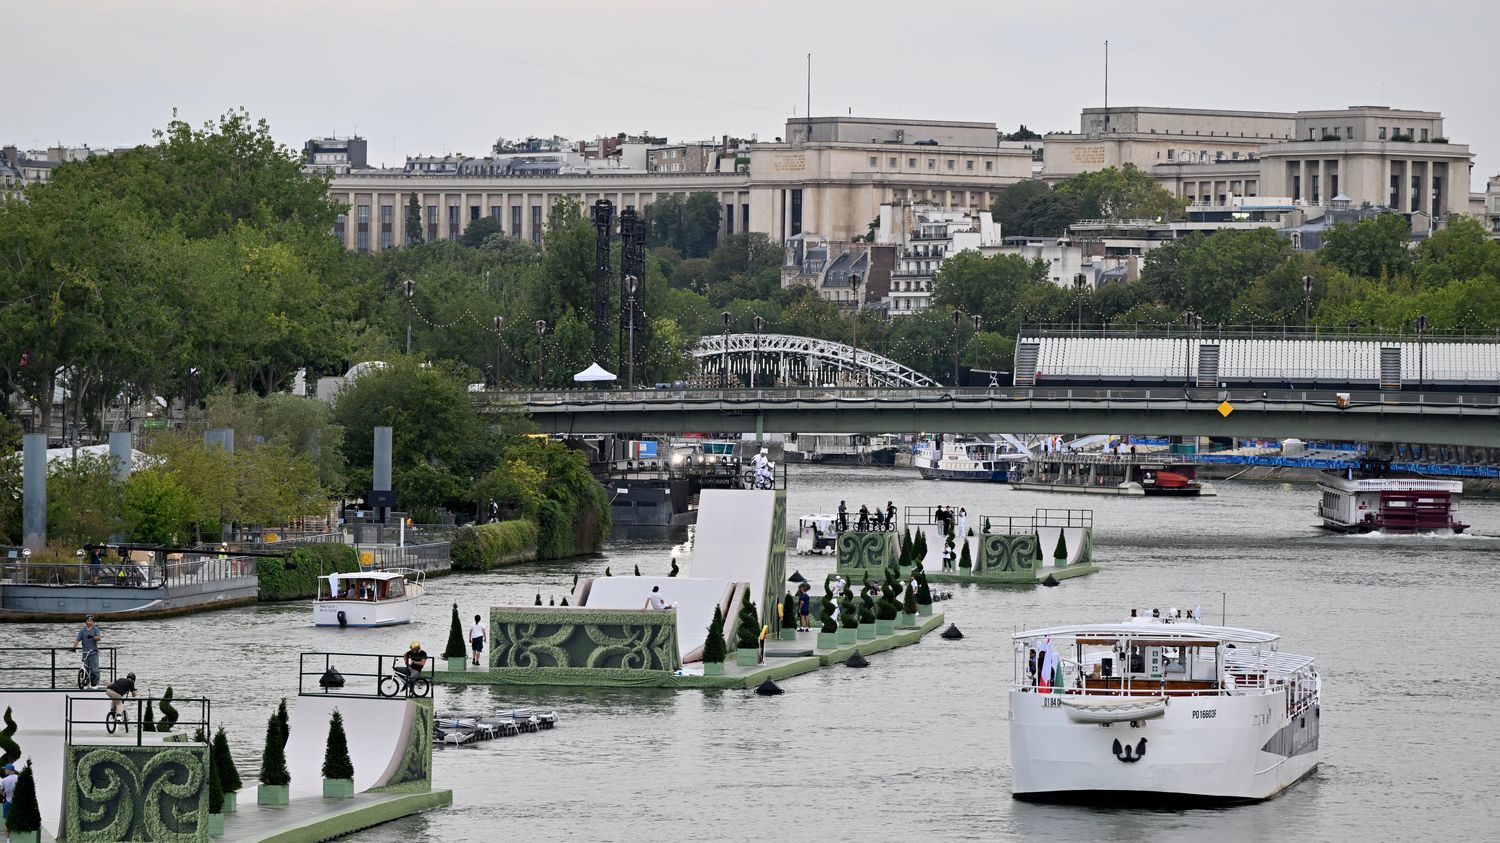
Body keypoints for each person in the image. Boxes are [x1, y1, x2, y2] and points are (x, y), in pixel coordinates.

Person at [72, 614, 103, 687]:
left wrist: (93, 637)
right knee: (85, 668)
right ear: (85, 622)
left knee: (94, 669)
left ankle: (94, 684)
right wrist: (74, 647)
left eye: (91, 621)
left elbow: (99, 638)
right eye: (88, 621)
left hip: (93, 652)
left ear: (93, 622)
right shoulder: (82, 631)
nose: (89, 622)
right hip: (85, 652)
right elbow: (77, 640)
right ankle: (85, 682)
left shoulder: (95, 629)